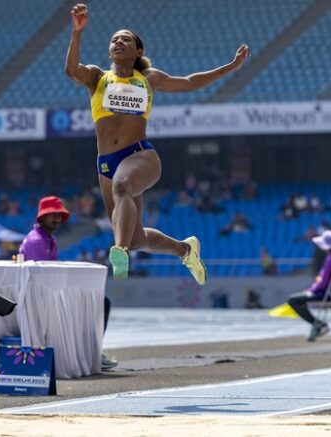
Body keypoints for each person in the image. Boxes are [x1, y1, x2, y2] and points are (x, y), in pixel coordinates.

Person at [65, 3, 249, 283]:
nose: (119, 42)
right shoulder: (97, 77)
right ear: (110, 50)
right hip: (106, 164)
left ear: (138, 51)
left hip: (139, 155)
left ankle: (120, 251)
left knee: (122, 188)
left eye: (125, 39)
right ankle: (185, 250)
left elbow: (189, 82)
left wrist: (231, 66)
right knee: (136, 237)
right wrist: (77, 33)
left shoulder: (149, 79)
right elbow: (71, 70)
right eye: (115, 39)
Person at [19, 196, 118, 370]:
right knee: (100, 304)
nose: (58, 219)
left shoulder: (49, 239)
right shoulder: (36, 241)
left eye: (59, 215)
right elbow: (41, 278)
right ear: (42, 217)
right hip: (40, 299)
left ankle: (91, 353)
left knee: (100, 303)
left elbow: (51, 274)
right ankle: (91, 354)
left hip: (49, 293)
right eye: (53, 215)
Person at [287, 230, 331, 342]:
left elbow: (323, 283)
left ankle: (318, 324)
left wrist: (310, 291)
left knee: (292, 300)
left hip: (325, 294)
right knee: (299, 299)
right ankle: (317, 325)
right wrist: (311, 290)